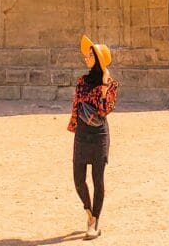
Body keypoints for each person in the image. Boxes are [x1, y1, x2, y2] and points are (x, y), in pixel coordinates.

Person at [67, 34, 118, 241]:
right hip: (82, 134)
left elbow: (105, 110)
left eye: (89, 55)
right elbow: (76, 106)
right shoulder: (82, 81)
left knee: (98, 180)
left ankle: (95, 221)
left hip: (99, 135)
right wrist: (74, 125)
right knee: (79, 179)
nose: (86, 58)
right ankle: (88, 212)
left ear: (97, 58)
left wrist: (105, 87)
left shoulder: (111, 85)